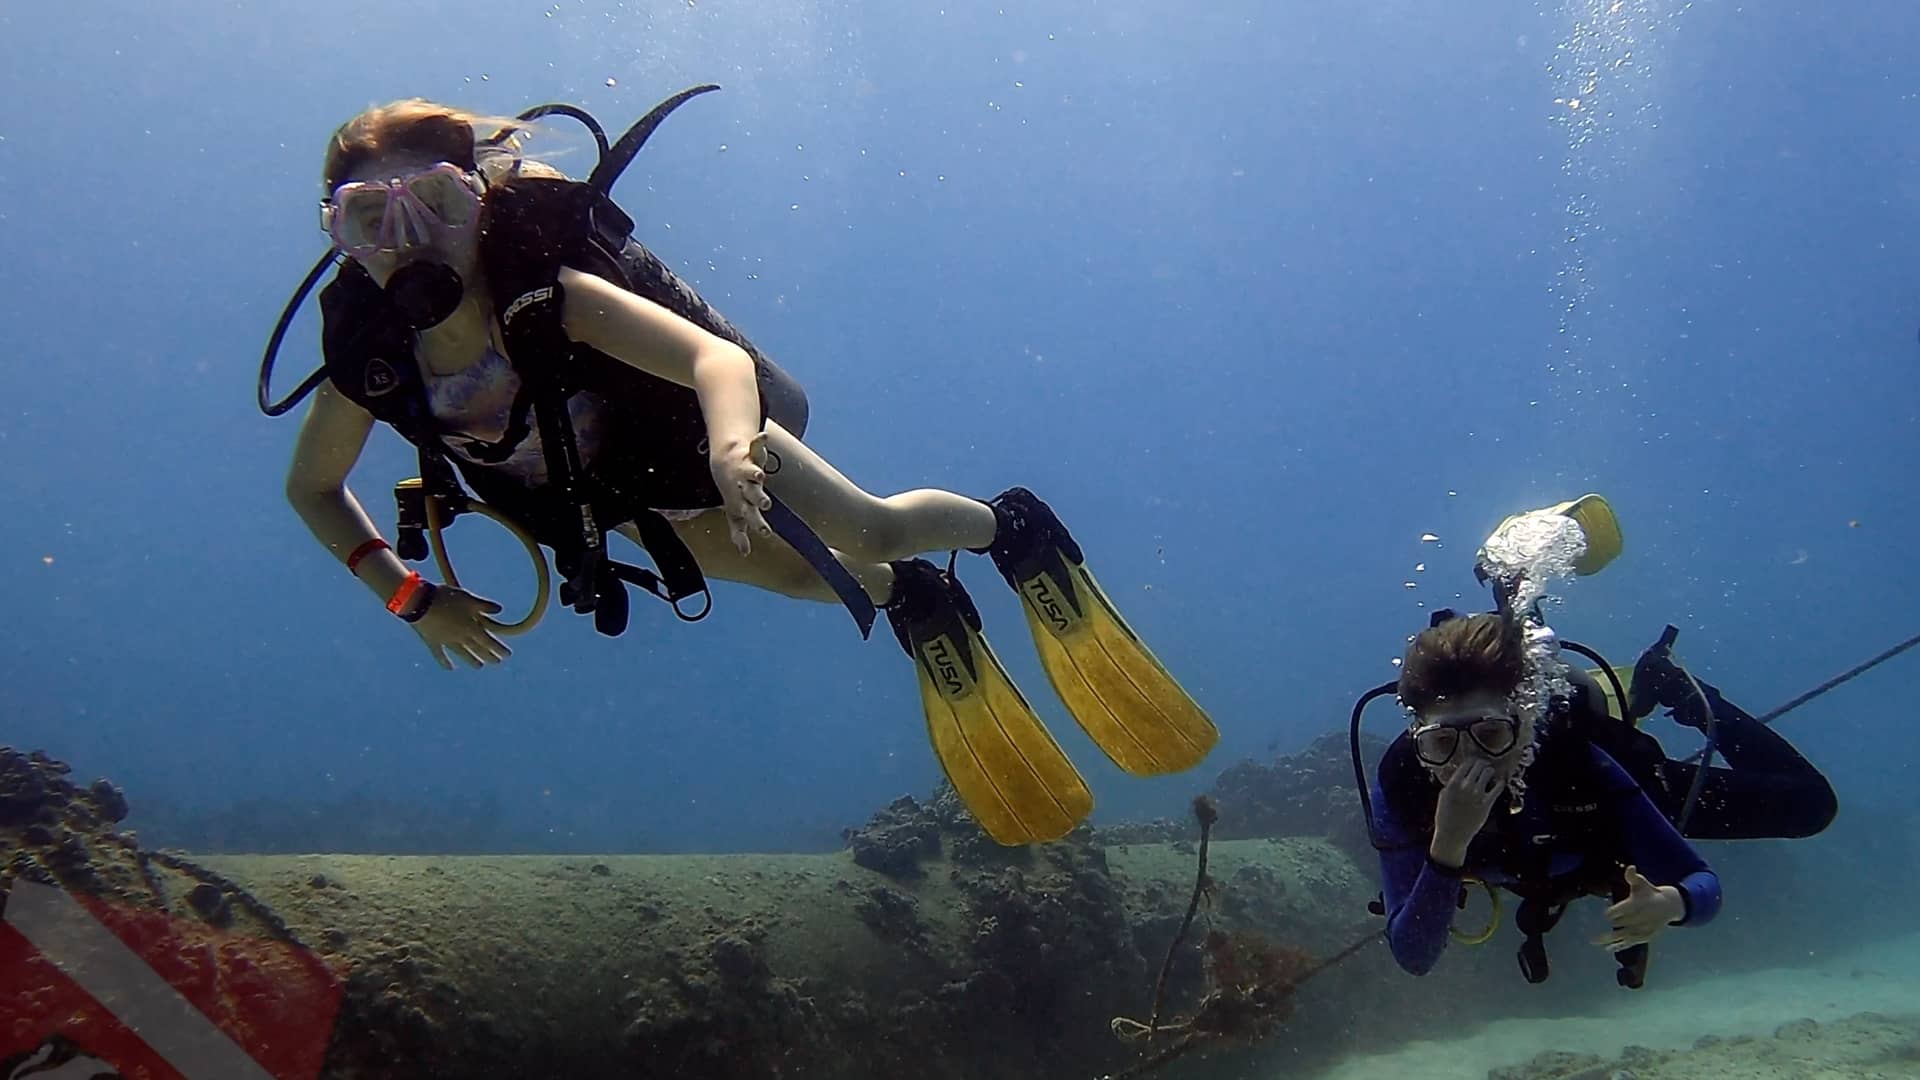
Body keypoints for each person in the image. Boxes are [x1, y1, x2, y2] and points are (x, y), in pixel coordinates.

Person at [275, 95, 1218, 846]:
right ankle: (912, 600)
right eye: (369, 219)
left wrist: (733, 448)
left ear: (477, 202)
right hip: (610, 506)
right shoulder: (371, 362)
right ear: (340, 238)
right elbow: (312, 489)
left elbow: (713, 363)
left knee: (871, 527)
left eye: (433, 204)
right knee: (808, 576)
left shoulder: (548, 299)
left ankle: (1010, 526)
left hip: (698, 445)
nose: (409, 243)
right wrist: (407, 598)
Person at [1369, 612, 1723, 988]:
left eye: (1490, 735)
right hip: (1541, 869)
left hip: (1618, 818)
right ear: (1418, 741)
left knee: (1794, 808)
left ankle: (1668, 688)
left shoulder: (1570, 761)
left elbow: (1703, 883)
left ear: (1524, 728)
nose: (1468, 763)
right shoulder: (1404, 780)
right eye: (1441, 743)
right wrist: (1448, 846)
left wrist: (1672, 903)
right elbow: (1414, 956)